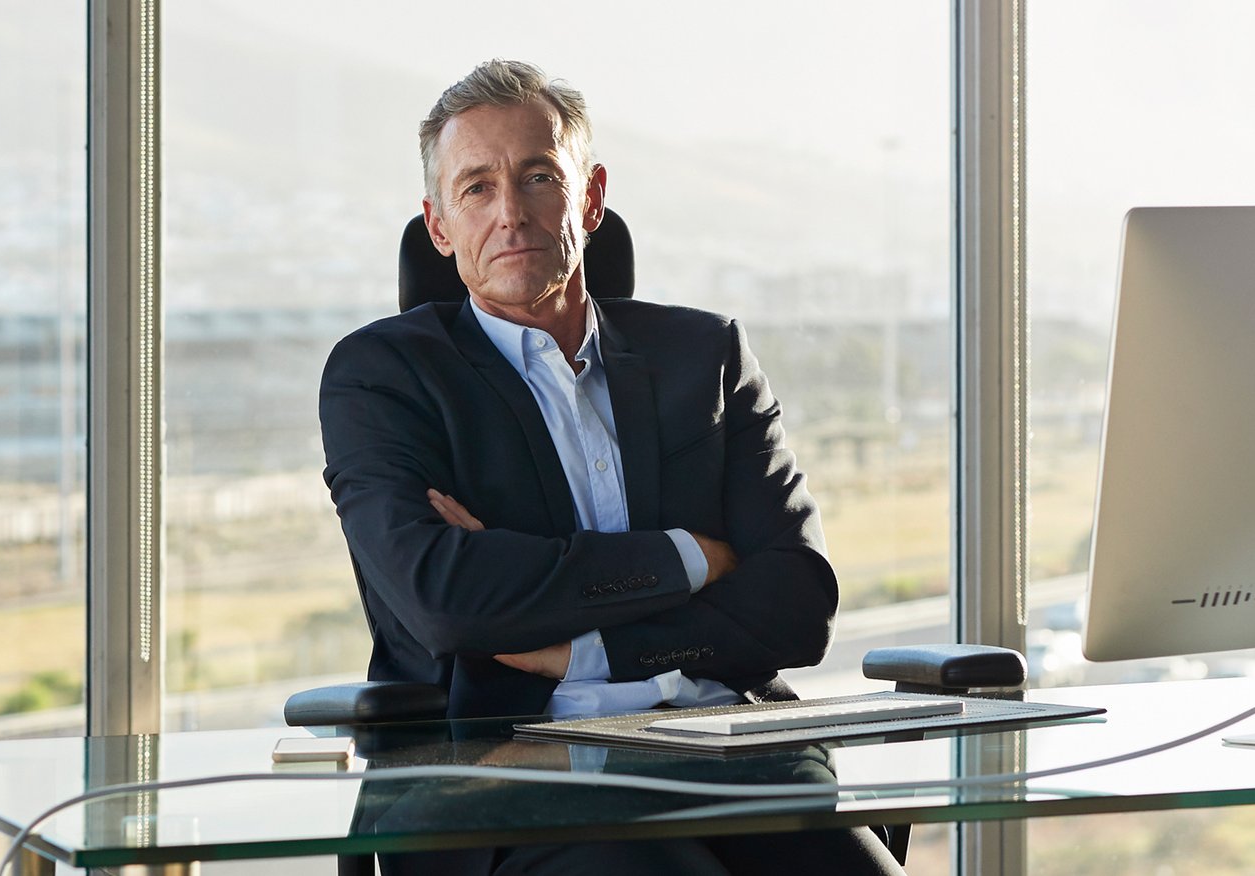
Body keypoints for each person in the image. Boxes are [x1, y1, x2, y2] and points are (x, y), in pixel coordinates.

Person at [319, 59, 902, 875]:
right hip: (515, 776)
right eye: (477, 188)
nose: (511, 214)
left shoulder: (707, 356)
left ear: (589, 198)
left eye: (537, 177)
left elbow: (798, 604)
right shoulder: (383, 376)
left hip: (737, 756)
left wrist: (577, 645)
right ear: (440, 226)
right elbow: (448, 602)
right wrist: (690, 557)